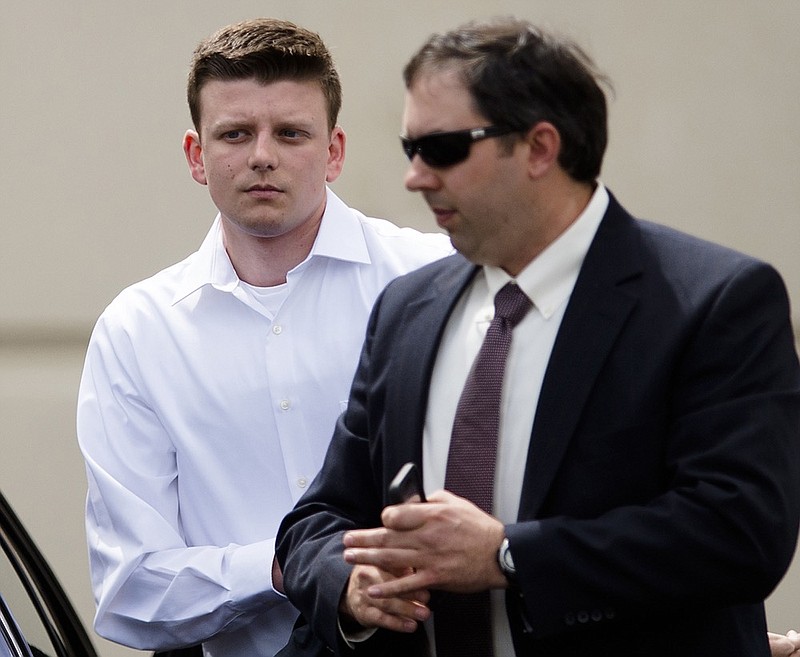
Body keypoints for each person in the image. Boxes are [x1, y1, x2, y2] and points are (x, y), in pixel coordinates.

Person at [275, 16, 800, 657]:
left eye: (441, 149)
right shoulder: (408, 310)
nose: (415, 177)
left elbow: (739, 533)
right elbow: (317, 520)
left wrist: (507, 555)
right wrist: (353, 585)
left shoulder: (712, 301)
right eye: (410, 150)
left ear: (540, 147)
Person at [76, 18, 450, 657]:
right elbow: (129, 592)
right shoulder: (136, 332)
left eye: (292, 133)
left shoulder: (430, 279)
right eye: (235, 133)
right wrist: (291, 567)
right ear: (198, 156)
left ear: (334, 151)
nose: (262, 155)